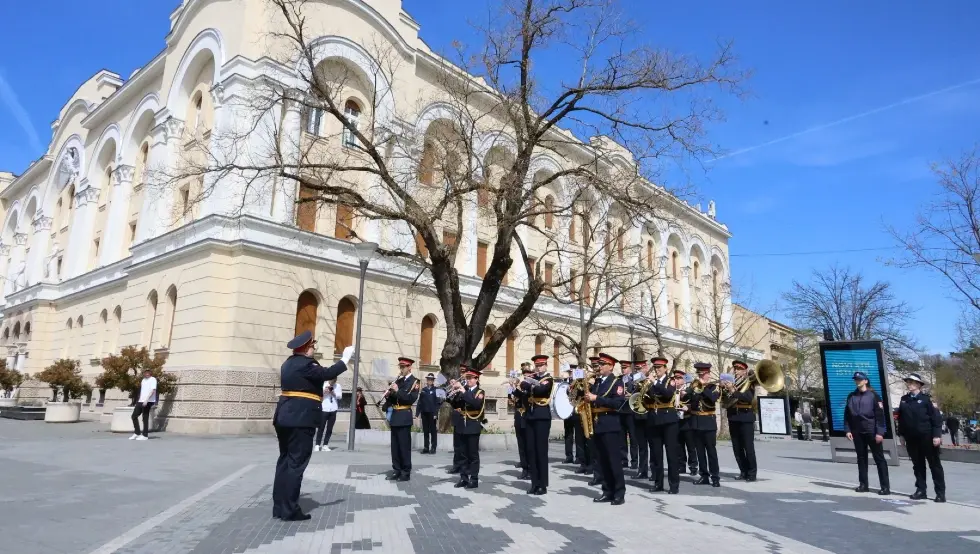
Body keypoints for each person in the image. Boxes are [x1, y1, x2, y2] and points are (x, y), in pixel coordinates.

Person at [272, 331, 352, 521]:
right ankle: (290, 510)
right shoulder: (307, 364)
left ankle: (279, 506)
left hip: (284, 417)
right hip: (301, 419)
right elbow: (327, 373)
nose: (314, 349)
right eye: (313, 346)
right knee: (296, 464)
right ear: (306, 348)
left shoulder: (288, 364)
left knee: (284, 461)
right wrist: (345, 359)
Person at [896, 373, 945, 503]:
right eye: (908, 382)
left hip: (927, 437)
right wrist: (901, 434)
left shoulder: (926, 400)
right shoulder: (904, 399)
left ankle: (940, 493)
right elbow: (901, 419)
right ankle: (921, 490)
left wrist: (936, 435)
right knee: (918, 465)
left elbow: (936, 419)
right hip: (911, 438)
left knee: (934, 465)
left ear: (918, 385)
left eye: (912, 382)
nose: (909, 384)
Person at [586, 352, 626, 505]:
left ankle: (619, 493)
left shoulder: (617, 382)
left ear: (610, 366)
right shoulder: (596, 382)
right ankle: (607, 491)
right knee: (602, 461)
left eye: (602, 364)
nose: (599, 367)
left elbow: (618, 403)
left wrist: (597, 398)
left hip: (610, 424)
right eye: (599, 364)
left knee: (613, 460)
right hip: (598, 424)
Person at [843, 371, 890, 495]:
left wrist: (880, 432)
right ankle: (863, 484)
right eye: (856, 380)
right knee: (861, 458)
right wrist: (847, 429)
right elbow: (847, 415)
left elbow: (880, 416)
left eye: (860, 379)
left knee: (879, 459)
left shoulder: (874, 395)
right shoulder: (851, 396)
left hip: (872, 431)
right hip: (857, 432)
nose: (857, 381)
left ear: (866, 381)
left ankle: (885, 487)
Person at [643, 356, 681, 493]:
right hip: (654, 420)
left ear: (665, 368)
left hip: (669, 421)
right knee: (656, 455)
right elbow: (648, 398)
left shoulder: (670, 381)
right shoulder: (651, 383)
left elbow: (667, 394)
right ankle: (658, 484)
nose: (657, 370)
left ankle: (674, 485)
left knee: (671, 454)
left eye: (659, 367)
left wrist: (654, 383)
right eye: (655, 367)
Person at [520, 354, 554, 495]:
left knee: (541, 451)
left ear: (546, 365)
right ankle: (534, 483)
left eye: (541, 365)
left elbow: (541, 390)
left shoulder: (548, 379)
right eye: (537, 365)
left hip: (542, 417)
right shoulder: (534, 379)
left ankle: (542, 484)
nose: (539, 368)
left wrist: (529, 385)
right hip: (530, 415)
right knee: (531, 450)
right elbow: (524, 389)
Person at [384, 357, 420, 482]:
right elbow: (395, 399)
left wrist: (397, 391)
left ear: (410, 367)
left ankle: (406, 471)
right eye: (400, 367)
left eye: (404, 367)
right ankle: (397, 469)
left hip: (404, 415)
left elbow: (410, 399)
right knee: (395, 446)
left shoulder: (415, 382)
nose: (401, 369)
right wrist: (389, 394)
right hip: (395, 415)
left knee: (404, 446)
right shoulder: (398, 381)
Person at [452, 367, 487, 489]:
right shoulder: (463, 390)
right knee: (462, 454)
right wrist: (453, 391)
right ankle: (464, 477)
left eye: (470, 378)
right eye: (467, 378)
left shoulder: (480, 392)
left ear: (476, 379)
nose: (468, 380)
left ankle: (474, 479)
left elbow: (475, 403)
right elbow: (455, 404)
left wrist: (463, 392)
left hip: (473, 425)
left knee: (472, 454)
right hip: (462, 425)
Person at [688, 362, 720, 487]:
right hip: (696, 422)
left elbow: (712, 399)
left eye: (703, 375)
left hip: (708, 422)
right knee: (700, 452)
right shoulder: (694, 387)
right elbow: (691, 402)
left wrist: (703, 387)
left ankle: (715, 477)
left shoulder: (714, 387)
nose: (701, 377)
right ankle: (704, 475)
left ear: (708, 374)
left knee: (711, 451)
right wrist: (694, 391)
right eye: (699, 375)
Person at [726, 360, 758, 481]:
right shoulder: (731, 383)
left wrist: (734, 391)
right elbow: (725, 400)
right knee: (737, 447)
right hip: (733, 416)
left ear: (744, 371)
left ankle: (752, 473)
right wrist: (726, 389)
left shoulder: (750, 383)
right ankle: (743, 471)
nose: (736, 371)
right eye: (735, 369)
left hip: (746, 417)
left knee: (748, 447)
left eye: (738, 369)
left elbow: (748, 398)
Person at [509, 363, 532, 479]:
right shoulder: (519, 388)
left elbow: (527, 398)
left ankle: (531, 469)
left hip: (528, 417)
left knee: (529, 445)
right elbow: (514, 398)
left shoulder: (532, 388)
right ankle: (524, 468)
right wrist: (513, 387)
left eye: (528, 375)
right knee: (521, 445)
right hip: (519, 417)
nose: (526, 377)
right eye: (524, 375)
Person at [629, 359, 651, 479]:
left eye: (641, 368)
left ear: (646, 367)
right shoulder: (634, 381)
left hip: (649, 416)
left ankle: (654, 471)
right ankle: (642, 470)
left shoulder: (652, 380)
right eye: (637, 369)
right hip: (638, 415)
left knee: (653, 446)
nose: (639, 371)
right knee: (641, 445)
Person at [675, 371, 698, 476]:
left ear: (684, 380)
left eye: (679, 378)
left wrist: (687, 407)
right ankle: (681, 466)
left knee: (690, 446)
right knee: (679, 445)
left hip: (688, 420)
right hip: (677, 421)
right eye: (675, 378)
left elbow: (694, 403)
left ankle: (693, 467)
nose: (676, 380)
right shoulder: (673, 390)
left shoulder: (689, 390)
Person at [562, 366, 585, 465]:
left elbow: (582, 392)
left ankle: (579, 457)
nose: (571, 373)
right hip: (567, 411)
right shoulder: (565, 382)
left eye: (572, 372)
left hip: (576, 410)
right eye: (569, 372)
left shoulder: (580, 382)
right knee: (568, 435)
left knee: (579, 435)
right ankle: (569, 456)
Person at [417, 373, 442, 454]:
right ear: (427, 380)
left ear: (433, 381)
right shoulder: (423, 390)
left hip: (432, 413)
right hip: (424, 413)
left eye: (431, 379)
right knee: (426, 431)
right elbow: (420, 402)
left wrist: (435, 413)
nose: (429, 381)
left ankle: (433, 447)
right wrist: (417, 413)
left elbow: (438, 403)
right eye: (428, 379)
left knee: (433, 431)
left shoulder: (436, 390)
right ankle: (426, 447)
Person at [618, 360, 637, 469]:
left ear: (630, 368)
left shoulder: (635, 378)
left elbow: (640, 392)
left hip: (631, 411)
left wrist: (632, 395)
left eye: (625, 368)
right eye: (622, 368)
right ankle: (623, 460)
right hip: (621, 411)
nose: (623, 370)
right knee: (622, 438)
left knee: (633, 438)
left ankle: (634, 461)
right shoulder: (619, 379)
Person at [130, 368, 157, 441]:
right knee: (134, 416)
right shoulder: (143, 380)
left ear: (150, 373)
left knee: (145, 417)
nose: (147, 373)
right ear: (144, 373)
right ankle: (137, 433)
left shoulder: (153, 379)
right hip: (141, 401)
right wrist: (140, 400)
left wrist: (147, 400)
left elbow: (153, 390)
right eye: (145, 372)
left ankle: (145, 435)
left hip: (148, 401)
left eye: (148, 372)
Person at [315, 379, 341, 452]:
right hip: (324, 408)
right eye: (332, 381)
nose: (333, 383)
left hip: (333, 408)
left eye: (334, 381)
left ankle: (325, 445)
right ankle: (317, 445)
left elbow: (339, 396)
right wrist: (324, 391)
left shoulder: (338, 386)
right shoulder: (323, 385)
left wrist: (333, 393)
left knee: (329, 429)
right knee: (321, 427)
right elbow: (318, 395)